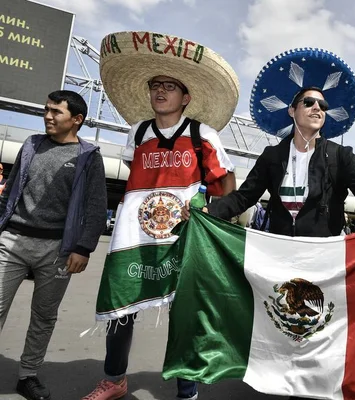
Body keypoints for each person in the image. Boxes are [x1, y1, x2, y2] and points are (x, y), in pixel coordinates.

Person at [82, 31, 239, 400]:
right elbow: (138, 179)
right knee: (122, 305)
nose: (160, 91)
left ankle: (188, 390)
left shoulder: (203, 134)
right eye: (155, 85)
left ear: (186, 97)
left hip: (184, 237)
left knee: (184, 312)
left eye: (170, 86)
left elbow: (226, 183)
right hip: (135, 237)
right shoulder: (138, 133)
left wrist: (206, 211)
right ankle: (115, 379)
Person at [186, 48, 355, 243]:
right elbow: (244, 197)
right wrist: (209, 212)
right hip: (279, 251)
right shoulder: (272, 156)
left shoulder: (341, 156)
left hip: (325, 257)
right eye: (309, 102)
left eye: (323, 106)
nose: (317, 108)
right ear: (292, 110)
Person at [0, 90, 107, 400]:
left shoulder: (89, 157)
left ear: (76, 120)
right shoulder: (31, 144)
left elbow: (96, 206)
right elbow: (10, 191)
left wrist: (83, 247)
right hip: (12, 241)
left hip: (57, 250)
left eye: (55, 112)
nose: (47, 116)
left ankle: (28, 375)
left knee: (44, 316)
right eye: (46, 110)